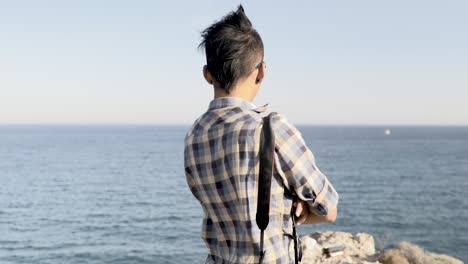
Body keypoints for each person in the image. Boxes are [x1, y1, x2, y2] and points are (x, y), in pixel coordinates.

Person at [184, 5, 339, 264]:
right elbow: (329, 209)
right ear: (261, 71)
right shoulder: (270, 128)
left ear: (207, 74)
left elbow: (230, 209)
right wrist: (296, 209)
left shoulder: (194, 136)